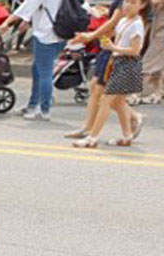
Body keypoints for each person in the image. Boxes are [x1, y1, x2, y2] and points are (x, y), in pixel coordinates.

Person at [72, 0, 147, 147]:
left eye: (133, 2)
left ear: (141, 6)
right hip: (116, 61)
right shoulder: (124, 21)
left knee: (106, 99)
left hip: (128, 64)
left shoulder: (137, 25)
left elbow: (135, 50)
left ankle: (92, 137)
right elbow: (114, 35)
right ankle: (127, 135)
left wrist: (114, 48)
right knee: (118, 101)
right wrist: (100, 40)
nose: (127, 5)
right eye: (126, 2)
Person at [65, 0, 124, 139]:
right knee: (97, 89)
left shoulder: (128, 3)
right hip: (108, 47)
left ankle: (93, 133)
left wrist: (91, 36)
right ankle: (88, 128)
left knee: (105, 95)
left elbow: (114, 22)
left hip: (114, 50)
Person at [0, 0, 66, 121]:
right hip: (61, 35)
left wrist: (6, 23)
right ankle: (33, 105)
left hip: (45, 36)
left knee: (45, 73)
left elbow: (27, 6)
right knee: (37, 70)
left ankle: (44, 110)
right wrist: (27, 20)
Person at [134, 0, 164, 104]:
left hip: (161, 30)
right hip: (157, 26)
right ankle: (157, 93)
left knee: (149, 60)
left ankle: (134, 92)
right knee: (158, 63)